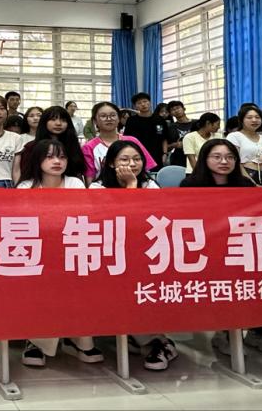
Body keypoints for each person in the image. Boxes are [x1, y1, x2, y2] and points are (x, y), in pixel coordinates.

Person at [180, 140, 262, 356]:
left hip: (241, 246)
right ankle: (224, 334)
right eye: (217, 157)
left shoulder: (245, 185)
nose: (224, 161)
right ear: (204, 159)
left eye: (230, 157)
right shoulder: (190, 185)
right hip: (205, 250)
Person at [89, 140, 174, 370]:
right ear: (110, 163)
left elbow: (148, 218)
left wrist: (132, 185)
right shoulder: (97, 188)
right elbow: (113, 219)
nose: (132, 164)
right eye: (124, 159)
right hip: (108, 253)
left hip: (144, 252)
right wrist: (130, 186)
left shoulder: (149, 184)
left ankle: (159, 341)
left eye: (137, 159)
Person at [18, 139, 103, 368]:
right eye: (50, 157)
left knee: (82, 287)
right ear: (38, 160)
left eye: (62, 157)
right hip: (38, 253)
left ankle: (80, 340)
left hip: (73, 249)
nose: (57, 161)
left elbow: (82, 218)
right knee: (42, 289)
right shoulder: (26, 187)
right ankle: (35, 342)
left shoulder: (75, 183)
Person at [81, 102, 155, 183]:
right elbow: (89, 180)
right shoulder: (89, 147)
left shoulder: (132, 141)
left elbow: (146, 170)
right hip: (102, 189)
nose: (109, 119)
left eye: (113, 115)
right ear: (95, 121)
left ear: (119, 118)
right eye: (103, 116)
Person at [20, 106, 86, 181]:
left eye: (63, 120)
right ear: (44, 121)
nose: (58, 123)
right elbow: (27, 174)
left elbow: (78, 172)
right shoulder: (31, 147)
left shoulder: (73, 146)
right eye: (53, 119)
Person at [124, 92, 169, 169]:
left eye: (145, 101)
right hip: (138, 155)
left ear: (150, 103)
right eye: (139, 103)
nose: (143, 104)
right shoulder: (131, 121)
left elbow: (164, 138)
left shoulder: (160, 120)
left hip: (157, 155)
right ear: (135, 106)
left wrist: (165, 154)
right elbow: (127, 139)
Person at [227, 104, 262, 186]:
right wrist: (252, 183)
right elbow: (235, 162)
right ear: (241, 120)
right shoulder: (234, 136)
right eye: (249, 117)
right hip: (244, 175)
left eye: (257, 117)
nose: (254, 120)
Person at [166, 100, 193, 166]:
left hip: (196, 155)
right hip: (179, 159)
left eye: (178, 108)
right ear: (170, 114)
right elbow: (166, 147)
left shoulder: (196, 123)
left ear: (184, 109)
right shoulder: (170, 127)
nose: (176, 111)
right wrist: (175, 145)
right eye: (173, 110)